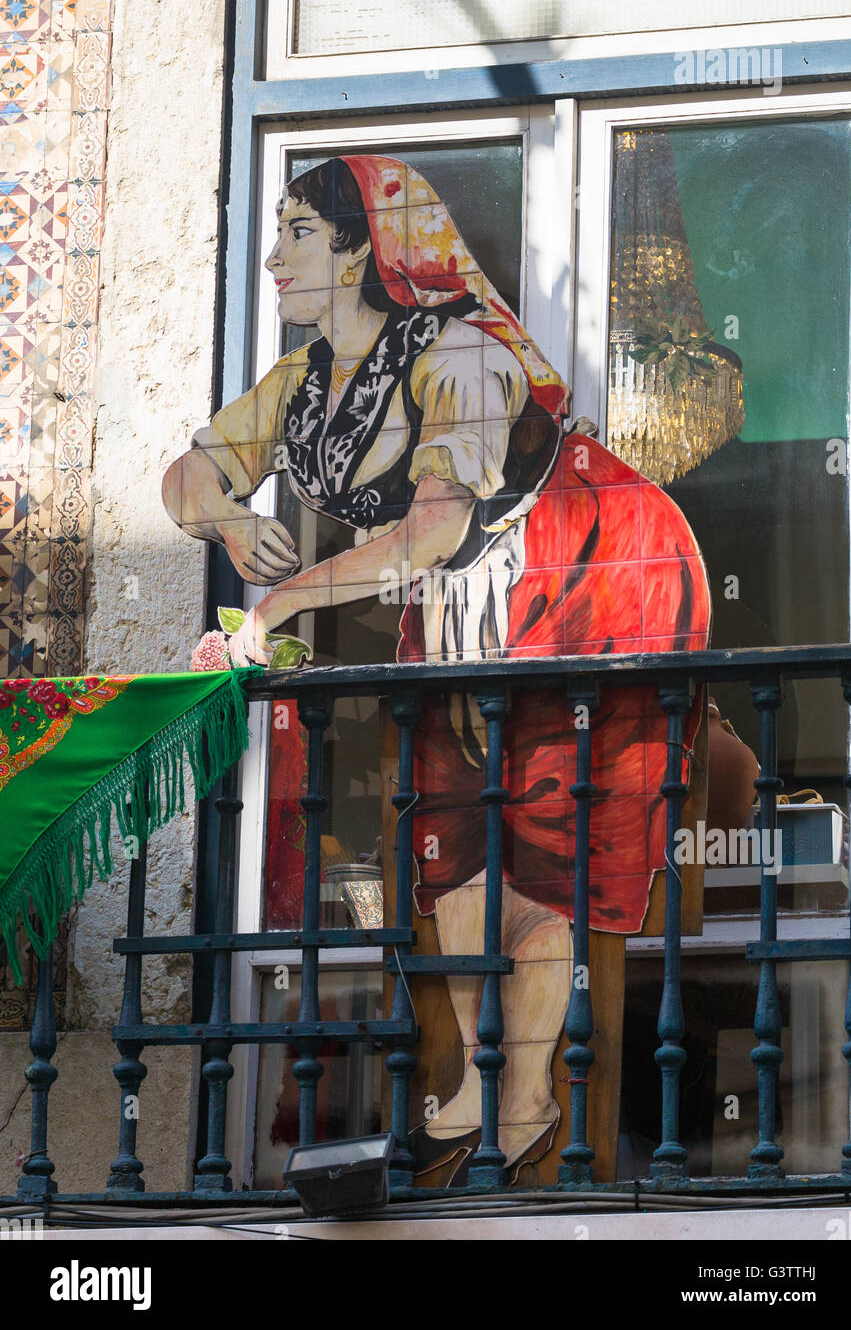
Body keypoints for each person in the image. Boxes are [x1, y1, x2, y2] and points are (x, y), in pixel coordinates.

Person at [162, 154, 711, 1181]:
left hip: (586, 560)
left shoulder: (457, 354)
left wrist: (284, 598)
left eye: (296, 234)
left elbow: (429, 533)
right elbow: (188, 472)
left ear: (362, 251)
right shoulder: (306, 376)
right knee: (447, 827)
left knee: (552, 830)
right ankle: (475, 1087)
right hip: (462, 598)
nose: (273, 257)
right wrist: (233, 524)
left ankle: (530, 1092)